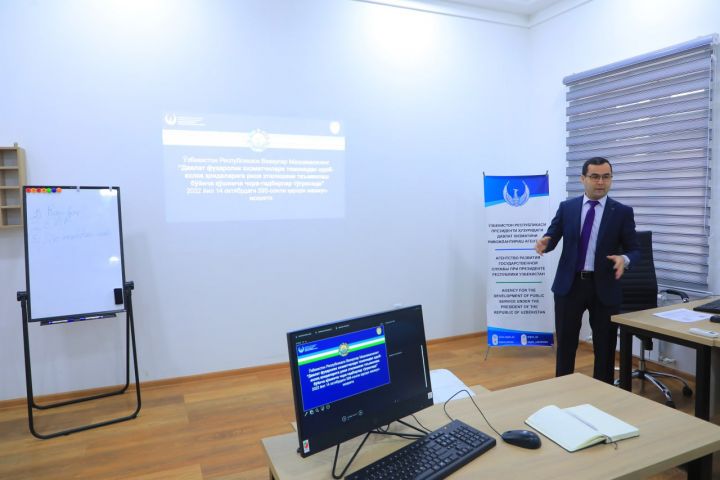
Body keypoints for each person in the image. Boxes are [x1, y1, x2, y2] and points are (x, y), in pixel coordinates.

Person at [535, 157, 640, 384]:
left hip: (604, 287)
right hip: (569, 285)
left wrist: (624, 259)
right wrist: (546, 242)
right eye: (595, 177)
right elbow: (552, 236)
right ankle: (563, 390)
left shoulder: (622, 212)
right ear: (583, 179)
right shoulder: (567, 208)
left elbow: (635, 249)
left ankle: (601, 394)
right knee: (566, 345)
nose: (600, 182)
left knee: (605, 347)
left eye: (606, 177)